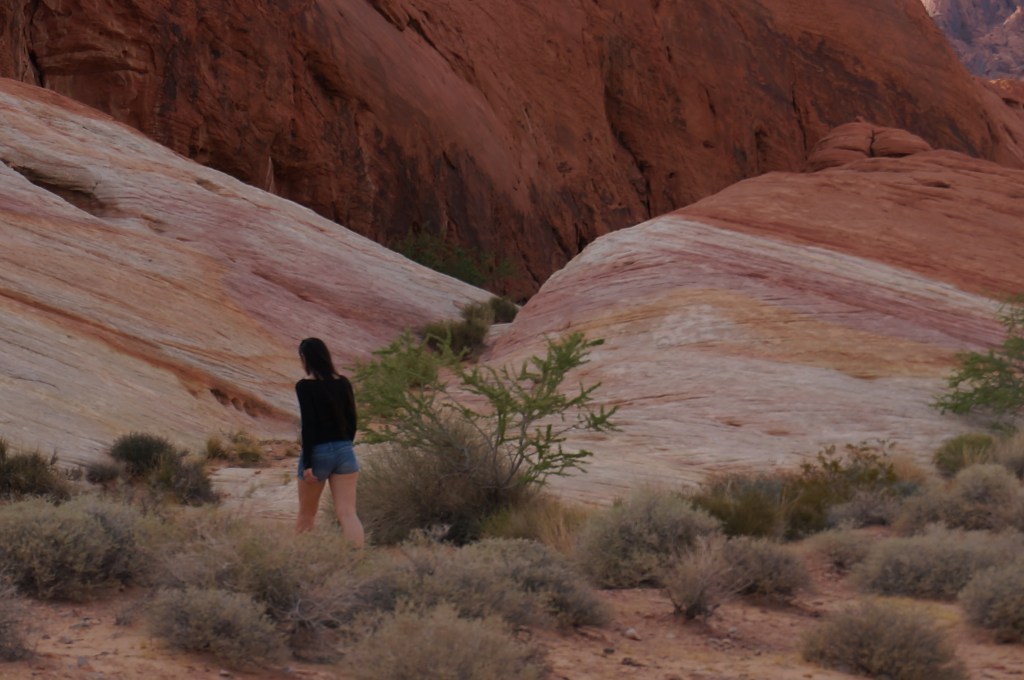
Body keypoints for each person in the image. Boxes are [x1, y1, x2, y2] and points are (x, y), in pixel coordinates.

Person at [294, 337, 365, 547]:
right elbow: (352, 420)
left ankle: (298, 563)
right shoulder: (343, 383)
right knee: (348, 513)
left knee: (307, 514)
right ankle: (358, 561)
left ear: (305, 358)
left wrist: (307, 464)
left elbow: (309, 426)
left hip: (318, 453)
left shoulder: (304, 387)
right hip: (344, 451)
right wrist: (345, 445)